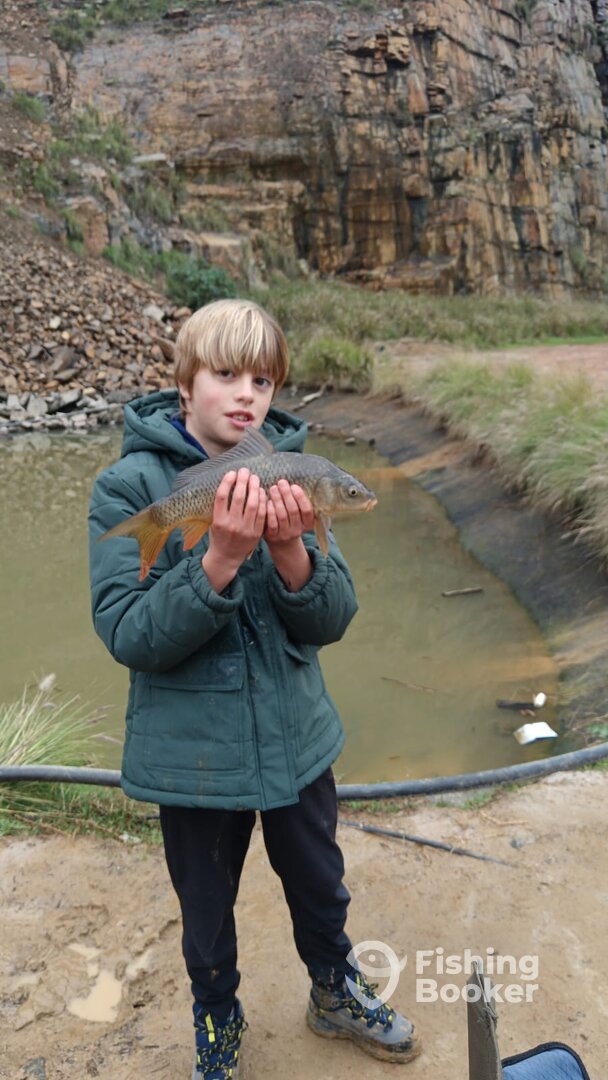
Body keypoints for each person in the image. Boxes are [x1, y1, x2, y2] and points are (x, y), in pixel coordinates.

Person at [88, 298, 420, 1078]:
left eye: (263, 381)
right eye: (226, 375)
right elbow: (128, 634)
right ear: (185, 384)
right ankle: (217, 1015)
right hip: (192, 764)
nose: (246, 394)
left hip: (298, 742)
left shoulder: (300, 476)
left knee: (321, 884)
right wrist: (219, 559)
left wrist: (291, 549)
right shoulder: (128, 487)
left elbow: (333, 618)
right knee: (205, 911)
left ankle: (334, 988)